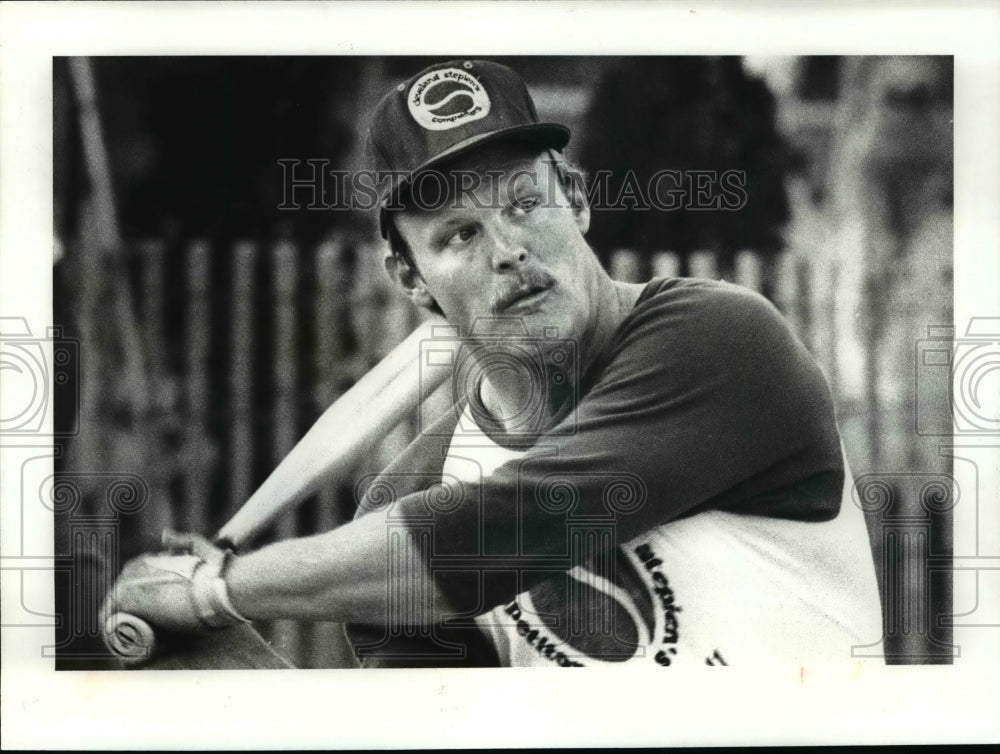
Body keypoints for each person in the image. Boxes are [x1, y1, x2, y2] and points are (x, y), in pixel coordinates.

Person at [102, 59, 883, 668]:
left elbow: (512, 528)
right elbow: (431, 727)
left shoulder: (719, 342)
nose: (509, 249)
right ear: (410, 277)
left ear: (575, 201)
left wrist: (217, 590)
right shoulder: (405, 499)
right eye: (459, 234)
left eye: (523, 203)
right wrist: (217, 653)